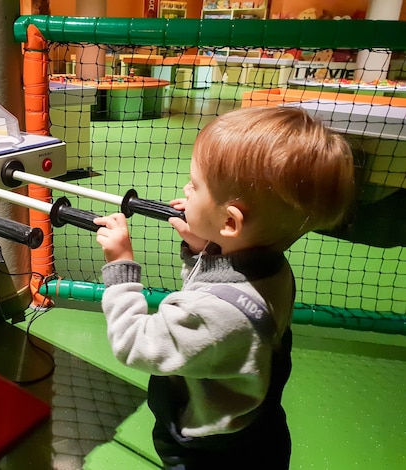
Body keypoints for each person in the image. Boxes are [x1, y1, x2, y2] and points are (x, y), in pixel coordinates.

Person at [94, 106, 355, 469]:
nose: (186, 189)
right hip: (258, 426)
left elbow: (135, 343)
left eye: (195, 185)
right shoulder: (271, 268)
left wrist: (120, 265)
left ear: (230, 222)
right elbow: (213, 293)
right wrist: (204, 248)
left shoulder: (219, 315)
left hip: (212, 453)